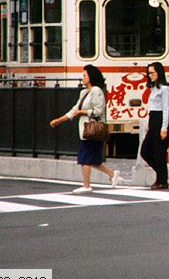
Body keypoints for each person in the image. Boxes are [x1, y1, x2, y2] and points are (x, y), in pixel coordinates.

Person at [50, 64, 119, 193]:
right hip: (86, 130)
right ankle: (112, 174)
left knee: (85, 158)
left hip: (92, 130)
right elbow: (74, 110)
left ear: (91, 77)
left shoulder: (96, 91)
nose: (83, 77)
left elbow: (98, 110)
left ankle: (86, 185)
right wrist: (59, 120)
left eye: (84, 75)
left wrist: (83, 112)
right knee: (93, 160)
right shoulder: (84, 92)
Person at [141, 62, 169, 189]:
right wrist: (149, 123)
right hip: (153, 120)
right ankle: (162, 175)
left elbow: (166, 110)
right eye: (149, 73)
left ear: (159, 72)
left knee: (160, 153)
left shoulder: (165, 89)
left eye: (153, 72)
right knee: (145, 151)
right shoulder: (153, 88)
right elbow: (152, 107)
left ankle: (162, 180)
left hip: (161, 121)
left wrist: (164, 128)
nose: (150, 75)